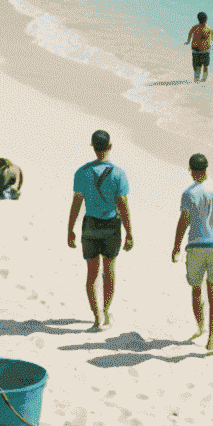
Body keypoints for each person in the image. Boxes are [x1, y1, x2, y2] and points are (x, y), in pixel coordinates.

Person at [68, 129, 133, 330]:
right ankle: (105, 311)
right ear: (110, 147)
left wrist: (70, 229)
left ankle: (96, 318)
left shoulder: (82, 172)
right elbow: (122, 204)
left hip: (90, 225)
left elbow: (76, 203)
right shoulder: (119, 173)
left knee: (91, 274)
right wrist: (129, 233)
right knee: (109, 270)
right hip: (112, 225)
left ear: (93, 148)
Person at [172, 153, 213, 354]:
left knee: (196, 290)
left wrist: (176, 246)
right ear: (206, 169)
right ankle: (211, 339)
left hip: (195, 248)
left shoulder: (188, 193)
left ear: (191, 171)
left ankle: (200, 326)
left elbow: (183, 222)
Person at [185, 11, 213, 82]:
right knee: (205, 66)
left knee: (197, 67)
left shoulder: (194, 27)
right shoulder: (209, 29)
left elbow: (190, 34)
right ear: (206, 19)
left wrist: (188, 41)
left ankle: (196, 80)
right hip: (205, 51)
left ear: (198, 19)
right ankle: (203, 80)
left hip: (196, 50)